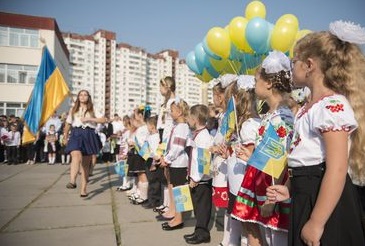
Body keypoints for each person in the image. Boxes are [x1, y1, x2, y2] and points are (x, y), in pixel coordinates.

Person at [266, 21, 365, 246]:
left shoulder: (332, 106)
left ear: (309, 65)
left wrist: (317, 222)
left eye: (294, 62)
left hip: (325, 202)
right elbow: (305, 157)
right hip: (308, 195)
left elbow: (337, 168)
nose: (291, 68)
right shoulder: (307, 107)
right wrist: (289, 189)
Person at [231, 51, 294, 246]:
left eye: (257, 78)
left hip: (272, 192)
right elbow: (270, 156)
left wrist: (271, 200)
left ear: (268, 83)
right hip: (263, 187)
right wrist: (252, 156)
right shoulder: (272, 115)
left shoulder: (281, 118)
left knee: (275, 239)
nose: (254, 83)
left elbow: (283, 163)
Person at [225, 75, 261, 246]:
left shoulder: (248, 125)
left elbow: (252, 155)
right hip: (241, 180)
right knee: (248, 226)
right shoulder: (252, 122)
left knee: (251, 227)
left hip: (245, 182)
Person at [63, 90, 106, 197]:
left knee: (85, 165)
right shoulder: (73, 109)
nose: (83, 96)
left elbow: (103, 120)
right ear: (78, 97)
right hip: (76, 133)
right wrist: (65, 136)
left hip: (89, 133)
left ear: (88, 97)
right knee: (75, 155)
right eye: (81, 95)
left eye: (85, 95)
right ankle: (72, 181)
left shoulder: (93, 108)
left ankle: (83, 189)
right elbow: (68, 124)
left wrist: (89, 118)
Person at [159, 98, 190, 231]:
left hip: (179, 163)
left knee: (180, 192)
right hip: (175, 163)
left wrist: (167, 158)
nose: (170, 113)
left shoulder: (182, 127)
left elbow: (178, 147)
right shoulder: (178, 126)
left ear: (179, 111)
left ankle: (179, 219)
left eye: (172, 111)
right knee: (177, 190)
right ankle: (176, 216)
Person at [184, 104, 213, 244]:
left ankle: (203, 233)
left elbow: (203, 160)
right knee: (197, 206)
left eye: (189, 117)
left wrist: (196, 177)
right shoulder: (197, 134)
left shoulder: (204, 137)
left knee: (202, 207)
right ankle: (198, 230)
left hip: (201, 179)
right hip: (195, 177)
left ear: (195, 119)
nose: (187, 120)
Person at [154, 76, 177, 214]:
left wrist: (166, 142)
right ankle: (168, 204)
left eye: (161, 86)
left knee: (170, 174)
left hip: (169, 137)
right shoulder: (165, 102)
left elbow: (172, 124)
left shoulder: (174, 102)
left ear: (167, 87)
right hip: (163, 136)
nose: (160, 89)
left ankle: (172, 207)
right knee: (166, 174)